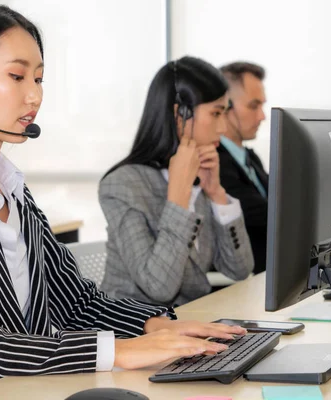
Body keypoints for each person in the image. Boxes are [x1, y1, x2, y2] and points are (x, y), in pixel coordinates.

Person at [0, 6, 245, 399]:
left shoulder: (14, 192)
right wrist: (118, 352)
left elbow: (75, 303)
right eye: (17, 76)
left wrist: (155, 325)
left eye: (39, 78)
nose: (35, 95)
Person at [218, 61, 331, 273]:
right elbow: (275, 217)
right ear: (225, 105)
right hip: (255, 281)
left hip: (279, 275)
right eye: (254, 106)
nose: (262, 116)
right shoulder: (216, 166)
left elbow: (289, 204)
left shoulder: (248, 159)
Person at [99, 56, 255, 307]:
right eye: (216, 113)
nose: (222, 127)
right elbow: (158, 286)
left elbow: (238, 270)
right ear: (179, 113)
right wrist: (179, 197)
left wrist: (216, 193)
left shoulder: (202, 176)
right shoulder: (123, 185)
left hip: (191, 323)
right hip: (134, 332)